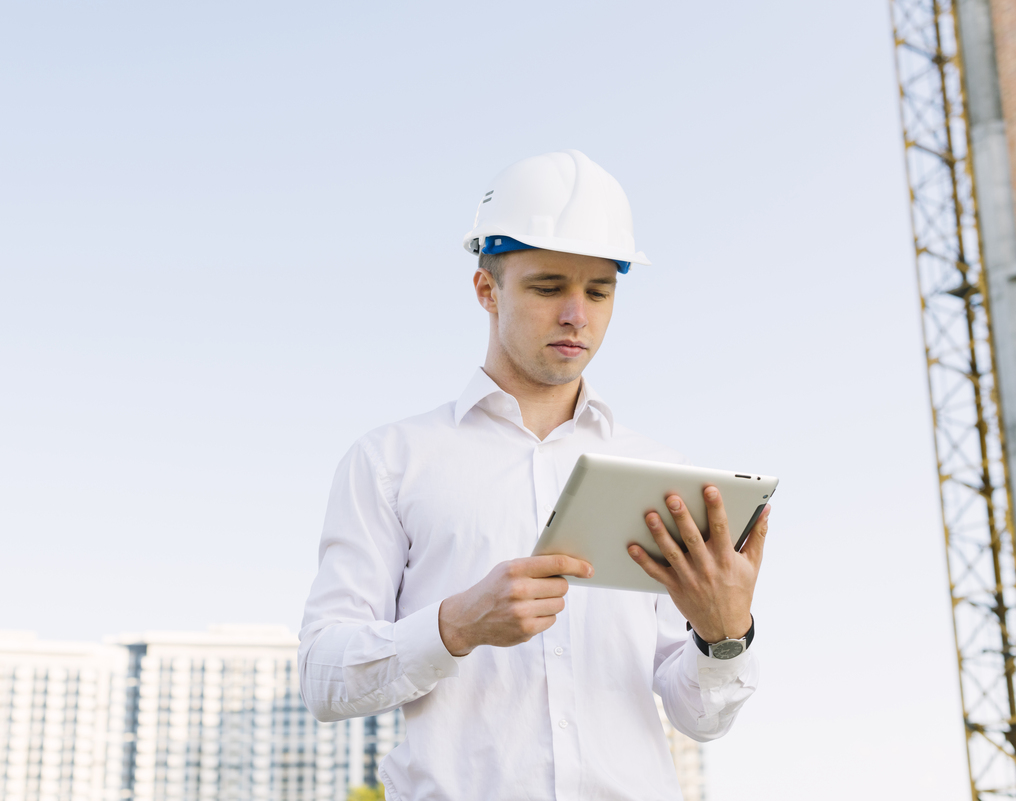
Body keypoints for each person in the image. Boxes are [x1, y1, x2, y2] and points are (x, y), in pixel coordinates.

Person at [298, 149, 768, 800]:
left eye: (599, 291)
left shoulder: (662, 475)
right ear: (486, 289)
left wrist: (724, 633)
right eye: (550, 287)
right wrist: (455, 625)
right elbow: (323, 678)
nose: (577, 314)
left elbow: (700, 716)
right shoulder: (391, 461)